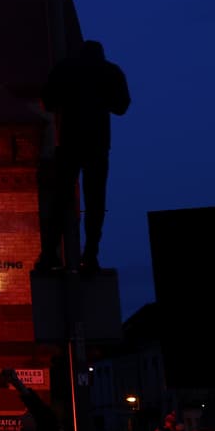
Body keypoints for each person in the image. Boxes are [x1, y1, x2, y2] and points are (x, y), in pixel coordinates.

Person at [38, 39, 130, 272]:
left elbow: (47, 101)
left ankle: (50, 253)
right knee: (95, 201)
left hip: (70, 141)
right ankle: (90, 254)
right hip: (98, 144)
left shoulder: (66, 69)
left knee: (60, 199)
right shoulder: (110, 71)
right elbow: (122, 106)